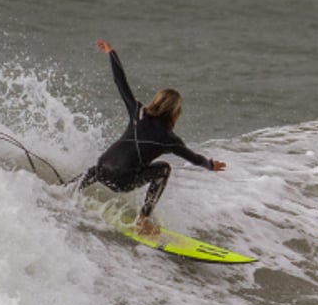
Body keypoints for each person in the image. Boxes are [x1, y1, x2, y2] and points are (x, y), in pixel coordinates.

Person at [80, 40, 226, 234]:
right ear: (176, 112)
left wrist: (112, 53)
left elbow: (120, 82)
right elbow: (195, 159)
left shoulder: (137, 111)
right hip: (122, 181)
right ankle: (143, 220)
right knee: (163, 169)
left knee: (105, 163)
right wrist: (210, 165)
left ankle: (70, 188)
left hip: (100, 170)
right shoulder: (170, 139)